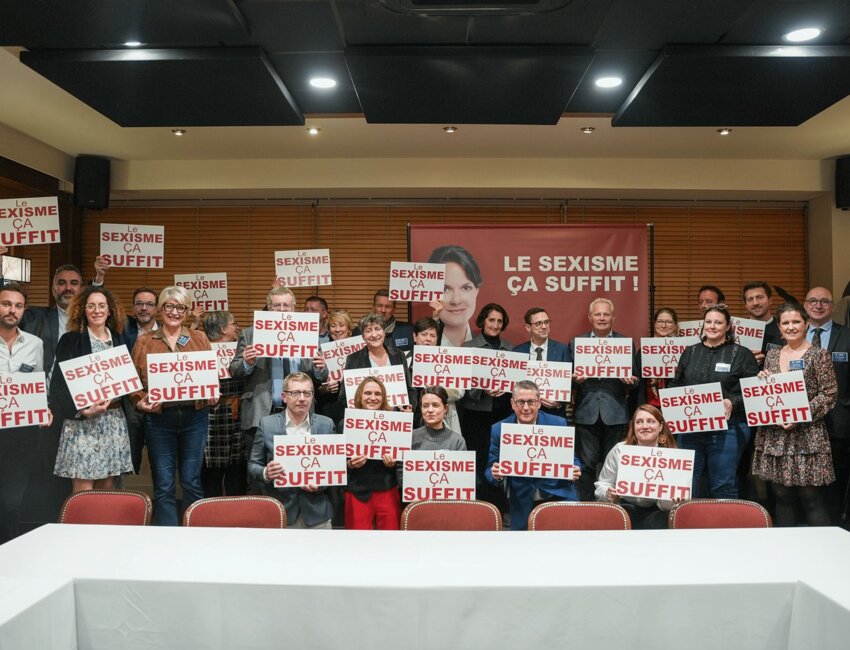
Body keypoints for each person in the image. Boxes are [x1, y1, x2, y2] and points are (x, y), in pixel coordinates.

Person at [131, 286, 217, 526]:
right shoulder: (145, 341)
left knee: (191, 481)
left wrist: (213, 393)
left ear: (187, 311)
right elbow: (133, 384)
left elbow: (211, 377)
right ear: (160, 309)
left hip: (194, 418)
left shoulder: (198, 338)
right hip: (159, 420)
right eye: (169, 306)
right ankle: (166, 541)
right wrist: (141, 402)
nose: (174, 312)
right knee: (164, 484)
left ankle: (195, 534)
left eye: (180, 307)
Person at [751, 302, 837, 526]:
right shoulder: (772, 355)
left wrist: (799, 415)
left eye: (796, 322)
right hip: (776, 435)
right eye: (786, 323)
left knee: (810, 498)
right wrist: (762, 381)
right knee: (782, 496)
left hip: (807, 435)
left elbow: (828, 395)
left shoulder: (819, 355)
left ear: (806, 324)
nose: (791, 327)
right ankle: (786, 551)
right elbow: (768, 392)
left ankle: (823, 552)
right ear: (779, 328)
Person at [230, 286, 328, 469]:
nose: (282, 310)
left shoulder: (307, 333)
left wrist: (320, 368)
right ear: (268, 308)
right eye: (276, 306)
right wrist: (247, 363)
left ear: (293, 308)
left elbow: (321, 376)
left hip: (300, 412)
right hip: (261, 412)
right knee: (258, 471)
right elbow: (234, 371)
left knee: (298, 469)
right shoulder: (250, 334)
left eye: (286, 305)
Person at [668, 305, 759, 498]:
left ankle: (724, 527)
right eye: (708, 322)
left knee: (722, 485)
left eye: (718, 322)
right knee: (687, 484)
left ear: (728, 327)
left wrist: (732, 402)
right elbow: (676, 384)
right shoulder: (690, 352)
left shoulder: (742, 354)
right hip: (691, 428)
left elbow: (753, 391)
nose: (712, 326)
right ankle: (690, 526)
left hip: (729, 428)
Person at [50, 286, 133, 493]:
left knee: (106, 490)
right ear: (83, 310)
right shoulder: (70, 340)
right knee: (83, 492)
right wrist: (82, 411)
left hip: (112, 422)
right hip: (82, 423)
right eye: (91, 306)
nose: (97, 310)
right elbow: (58, 386)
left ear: (109, 310)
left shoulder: (120, 338)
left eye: (102, 306)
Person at [485, 380, 582, 530]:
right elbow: (490, 470)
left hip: (557, 494)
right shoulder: (499, 429)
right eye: (520, 402)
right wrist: (496, 474)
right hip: (522, 500)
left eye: (531, 402)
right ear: (512, 404)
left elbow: (572, 460)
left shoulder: (558, 424)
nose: (526, 408)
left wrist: (575, 468)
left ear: (539, 403)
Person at [248, 372, 336, 528]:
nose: (302, 398)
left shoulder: (326, 424)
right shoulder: (267, 424)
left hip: (317, 514)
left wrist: (321, 483)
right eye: (295, 393)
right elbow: (254, 465)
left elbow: (336, 468)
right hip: (281, 512)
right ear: (284, 396)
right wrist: (266, 473)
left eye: (307, 393)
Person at [571, 298, 637, 501]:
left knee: (615, 465)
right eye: (597, 314)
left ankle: (614, 508)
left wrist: (630, 381)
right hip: (586, 412)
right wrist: (575, 380)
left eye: (606, 314)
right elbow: (566, 382)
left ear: (613, 317)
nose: (601, 318)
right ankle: (587, 508)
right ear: (590, 317)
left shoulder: (625, 343)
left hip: (615, 413)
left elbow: (635, 380)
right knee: (587, 464)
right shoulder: (576, 343)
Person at [0, 282, 48, 543]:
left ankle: (6, 554)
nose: (12, 310)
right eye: (6, 304)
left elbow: (38, 385)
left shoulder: (35, 344)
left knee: (11, 500)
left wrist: (44, 409)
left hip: (21, 434)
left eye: (18, 306)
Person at [802, 286, 850, 525]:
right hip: (801, 423)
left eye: (824, 301)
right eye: (813, 301)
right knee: (804, 481)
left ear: (832, 306)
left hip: (839, 421)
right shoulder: (793, 336)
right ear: (805, 306)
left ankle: (834, 529)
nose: (818, 305)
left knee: (836, 479)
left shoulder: (848, 335)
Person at [459, 303, 513, 509]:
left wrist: (506, 389)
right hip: (476, 414)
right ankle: (480, 507)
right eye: (492, 320)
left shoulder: (509, 348)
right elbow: (461, 382)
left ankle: (500, 507)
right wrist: (483, 390)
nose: (496, 324)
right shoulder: (468, 347)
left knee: (500, 459)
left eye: (500, 321)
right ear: (483, 321)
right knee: (479, 459)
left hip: (503, 412)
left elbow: (516, 380)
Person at [595, 404, 678, 529]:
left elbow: (669, 503)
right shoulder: (619, 450)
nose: (645, 426)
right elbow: (602, 485)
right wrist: (608, 493)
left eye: (650, 421)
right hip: (624, 509)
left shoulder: (673, 455)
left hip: (659, 511)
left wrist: (672, 500)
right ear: (633, 427)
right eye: (639, 422)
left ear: (660, 426)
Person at [20, 257, 108, 374]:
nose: (68, 288)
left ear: (81, 290)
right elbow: (6, 310)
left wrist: (99, 278)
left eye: (74, 283)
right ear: (53, 290)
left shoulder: (92, 318)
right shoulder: (35, 317)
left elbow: (95, 299)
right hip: (47, 389)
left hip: (84, 386)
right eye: (62, 283)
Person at [344, 377, 403, 529]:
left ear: (383, 398)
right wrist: (350, 464)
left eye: (378, 394)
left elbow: (404, 462)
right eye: (368, 393)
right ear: (359, 396)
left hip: (387, 490)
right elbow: (336, 464)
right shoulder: (346, 423)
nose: (372, 398)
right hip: (357, 492)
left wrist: (393, 463)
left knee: (391, 543)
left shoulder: (396, 423)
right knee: (357, 544)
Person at [201, 310, 246, 497]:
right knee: (211, 472)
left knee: (237, 470)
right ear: (222, 329)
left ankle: (238, 516)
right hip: (212, 417)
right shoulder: (200, 352)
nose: (237, 327)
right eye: (233, 323)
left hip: (239, 415)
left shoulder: (241, 350)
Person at [340, 313, 417, 414]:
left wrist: (409, 407)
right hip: (366, 418)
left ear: (384, 332)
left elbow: (410, 389)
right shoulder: (353, 359)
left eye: (377, 329)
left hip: (397, 417)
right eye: (368, 331)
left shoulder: (399, 355)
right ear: (363, 336)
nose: (374, 335)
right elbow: (343, 396)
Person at [398, 386, 467, 490]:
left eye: (435, 405)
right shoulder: (410, 437)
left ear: (445, 408)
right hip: (416, 501)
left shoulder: (457, 441)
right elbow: (401, 472)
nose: (430, 410)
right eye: (425, 406)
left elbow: (463, 479)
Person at [405, 316, 465, 431]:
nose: (428, 339)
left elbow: (459, 392)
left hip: (440, 419)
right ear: (414, 336)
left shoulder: (449, 360)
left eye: (432, 336)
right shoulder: (402, 358)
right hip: (411, 419)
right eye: (424, 334)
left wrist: (436, 389)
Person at [123, 286, 159, 473]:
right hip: (129, 399)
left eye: (149, 304)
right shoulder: (121, 330)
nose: (144, 308)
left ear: (157, 308)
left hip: (159, 399)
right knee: (130, 457)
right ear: (133, 307)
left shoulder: (165, 332)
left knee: (160, 459)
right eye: (139, 304)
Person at [513, 307, 572, 418]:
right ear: (528, 327)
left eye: (546, 322)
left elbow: (569, 383)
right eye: (538, 323)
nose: (544, 327)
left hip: (554, 413)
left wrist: (558, 403)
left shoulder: (562, 350)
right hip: (524, 415)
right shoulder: (518, 352)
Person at [427, 244, 482, 348]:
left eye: (466, 288)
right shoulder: (421, 347)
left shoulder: (485, 349)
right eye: (445, 289)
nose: (456, 300)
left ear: (477, 291)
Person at [642, 307, 679, 409]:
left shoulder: (684, 350)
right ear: (654, 324)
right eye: (660, 321)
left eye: (668, 322)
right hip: (650, 406)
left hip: (676, 404)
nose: (663, 325)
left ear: (675, 325)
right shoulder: (644, 349)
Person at [742, 281, 782, 365]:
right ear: (745, 305)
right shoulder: (738, 330)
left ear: (770, 300)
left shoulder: (783, 328)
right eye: (750, 299)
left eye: (760, 297)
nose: (755, 303)